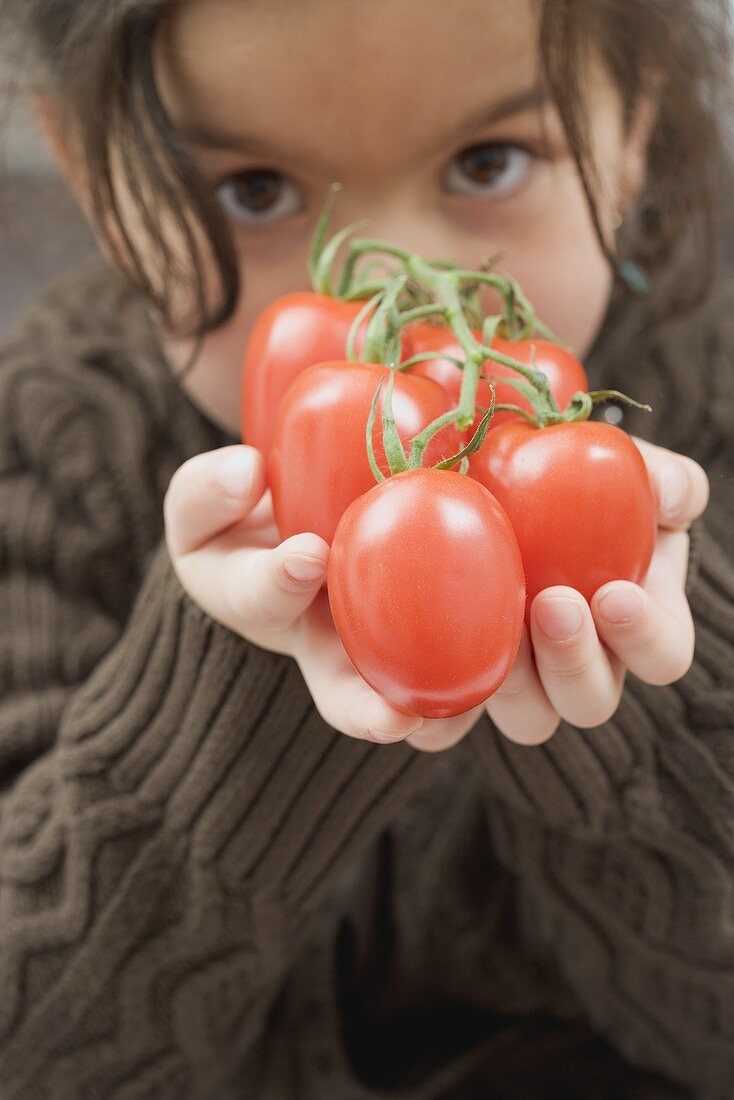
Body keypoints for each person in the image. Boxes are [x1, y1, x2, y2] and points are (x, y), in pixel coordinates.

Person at [0, 0, 731, 1096]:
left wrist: (653, 708)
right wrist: (236, 686)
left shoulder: (714, 398)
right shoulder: (52, 441)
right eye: (251, 190)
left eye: (489, 160)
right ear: (92, 174)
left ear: (630, 132)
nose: (389, 288)